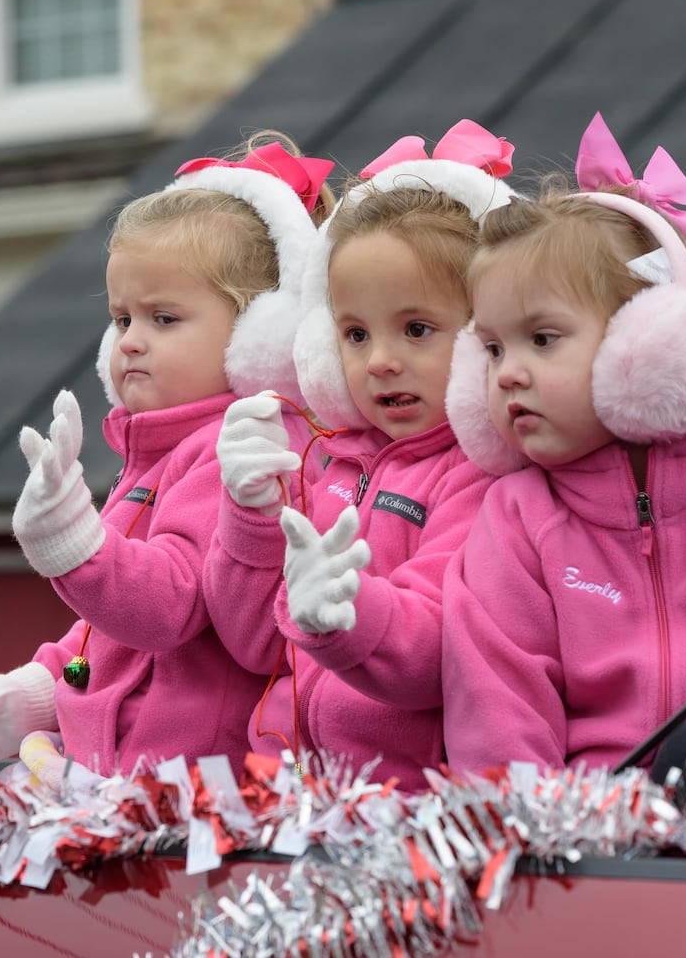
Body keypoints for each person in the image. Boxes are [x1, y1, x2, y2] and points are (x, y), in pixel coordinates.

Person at [0, 133, 335, 775]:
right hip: (132, 783)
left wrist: (75, 546)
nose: (129, 342)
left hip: (187, 795)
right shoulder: (156, 451)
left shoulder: (242, 449)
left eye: (164, 319)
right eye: (122, 319)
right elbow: (107, 636)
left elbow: (169, 605)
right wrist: (42, 689)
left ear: (261, 332)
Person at [440, 112, 686, 774]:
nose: (508, 372)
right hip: (588, 858)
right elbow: (498, 720)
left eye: (542, 338)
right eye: (491, 348)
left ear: (656, 343)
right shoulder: (515, 519)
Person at [203, 120, 516, 790]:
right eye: (353, 333)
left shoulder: (485, 481)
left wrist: (346, 616)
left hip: (405, 814)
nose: (378, 361)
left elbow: (436, 653)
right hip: (295, 798)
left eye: (417, 329)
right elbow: (254, 640)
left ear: (493, 334)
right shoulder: (329, 461)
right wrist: (250, 514)